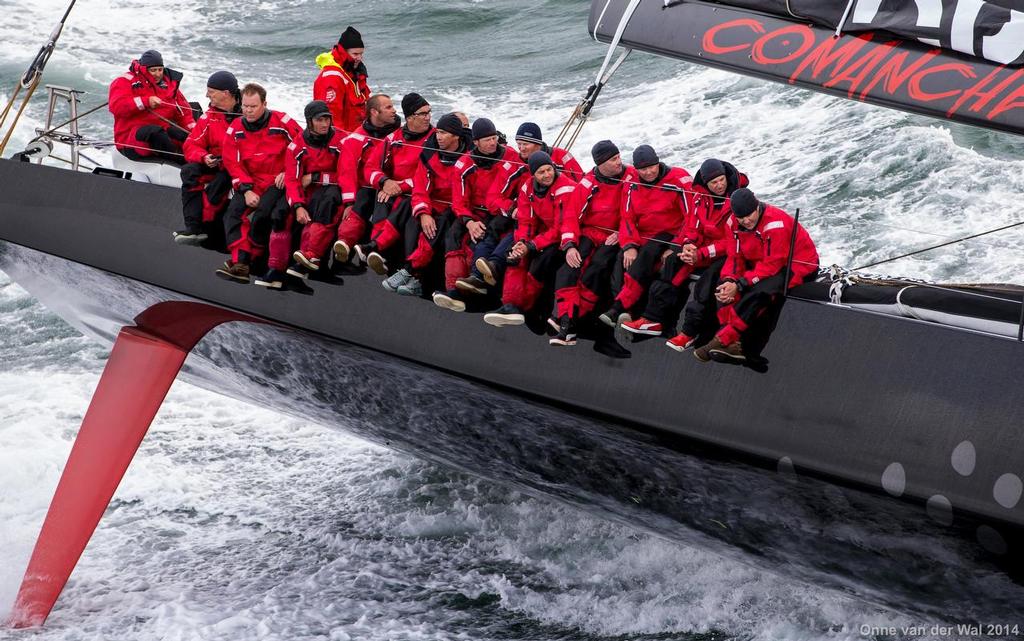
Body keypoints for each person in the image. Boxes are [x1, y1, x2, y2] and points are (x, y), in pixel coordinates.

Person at [620, 159, 748, 345]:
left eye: (721, 180)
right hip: (704, 249)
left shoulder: (738, 200)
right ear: (706, 184)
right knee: (673, 261)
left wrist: (702, 253)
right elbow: (692, 226)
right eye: (714, 183)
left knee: (707, 282)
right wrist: (688, 244)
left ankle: (690, 333)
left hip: (730, 252)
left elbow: (732, 241)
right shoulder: (700, 197)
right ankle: (652, 319)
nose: (719, 185)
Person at [693, 188, 819, 363]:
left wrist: (741, 283)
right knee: (723, 289)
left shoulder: (775, 223)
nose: (746, 221)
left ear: (757, 207)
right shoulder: (733, 224)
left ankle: (722, 339)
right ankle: (731, 343)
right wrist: (730, 280)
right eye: (741, 218)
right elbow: (734, 257)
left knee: (759, 292)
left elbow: (772, 264)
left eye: (749, 215)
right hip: (761, 262)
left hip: (795, 264)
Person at [215, 83, 302, 283]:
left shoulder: (282, 120)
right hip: (250, 181)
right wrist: (245, 190)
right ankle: (241, 262)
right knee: (232, 215)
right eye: (245, 106)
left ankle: (250, 259)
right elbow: (232, 162)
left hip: (276, 181)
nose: (248, 111)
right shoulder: (235, 128)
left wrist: (287, 171)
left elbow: (300, 147)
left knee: (263, 214)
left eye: (253, 106)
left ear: (264, 104)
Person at [597, 145, 693, 327]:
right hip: (643, 234)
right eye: (643, 169)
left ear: (658, 162)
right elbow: (627, 218)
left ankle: (619, 307)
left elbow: (692, 219)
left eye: (651, 166)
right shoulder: (632, 182)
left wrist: (674, 247)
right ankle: (626, 312)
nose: (648, 172)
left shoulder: (678, 179)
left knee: (648, 254)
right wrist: (629, 245)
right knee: (621, 259)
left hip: (671, 234)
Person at [253, 100, 345, 288]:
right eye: (320, 120)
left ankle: (304, 263)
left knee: (318, 213)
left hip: (330, 190)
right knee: (279, 216)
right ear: (309, 122)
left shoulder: (341, 141)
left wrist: (317, 176)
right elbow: (293, 180)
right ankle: (275, 271)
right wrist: (297, 206)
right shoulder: (296, 146)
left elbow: (346, 175)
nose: (325, 124)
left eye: (327, 119)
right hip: (303, 191)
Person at [433, 117, 520, 312]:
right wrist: (469, 221)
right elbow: (459, 202)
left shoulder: (511, 157)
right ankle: (453, 290)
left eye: (494, 138)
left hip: (502, 210)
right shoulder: (464, 164)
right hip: (474, 212)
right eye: (487, 139)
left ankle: (477, 281)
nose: (492, 143)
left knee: (486, 236)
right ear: (476, 142)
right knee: (453, 235)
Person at [483, 151, 578, 327]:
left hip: (565, 235)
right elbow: (526, 220)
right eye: (541, 172)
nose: (547, 175)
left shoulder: (566, 188)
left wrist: (532, 245)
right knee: (514, 256)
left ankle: (524, 306)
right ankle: (509, 305)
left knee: (539, 264)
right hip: (543, 232)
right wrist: (521, 243)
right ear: (533, 174)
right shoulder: (528, 187)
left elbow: (561, 227)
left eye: (549, 169)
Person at [381, 113, 471, 297]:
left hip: (461, 207)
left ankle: (410, 271)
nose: (438, 136)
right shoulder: (429, 153)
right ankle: (380, 249)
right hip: (436, 204)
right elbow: (420, 188)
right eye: (438, 132)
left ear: (456, 136)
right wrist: (423, 213)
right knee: (414, 219)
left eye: (444, 133)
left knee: (443, 223)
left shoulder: (470, 157)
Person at [549, 140, 627, 346]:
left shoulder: (632, 178)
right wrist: (569, 245)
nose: (619, 162)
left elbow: (637, 212)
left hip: (616, 235)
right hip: (590, 232)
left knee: (597, 268)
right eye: (613, 159)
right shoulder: (587, 184)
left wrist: (622, 232)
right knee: (568, 269)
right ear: (600, 164)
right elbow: (571, 217)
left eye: (619, 156)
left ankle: (570, 324)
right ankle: (566, 321)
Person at [355, 92, 434, 276]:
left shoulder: (435, 140)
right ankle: (376, 252)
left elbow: (433, 176)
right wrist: (385, 181)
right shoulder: (393, 138)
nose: (428, 117)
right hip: (395, 190)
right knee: (381, 199)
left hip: (420, 193)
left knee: (399, 204)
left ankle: (377, 250)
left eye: (429, 112)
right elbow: (370, 169)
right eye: (422, 114)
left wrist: (400, 186)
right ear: (409, 117)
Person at [332, 94, 401, 266]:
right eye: (388, 107)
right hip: (369, 186)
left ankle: (373, 248)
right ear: (374, 112)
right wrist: (348, 202)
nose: (394, 111)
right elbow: (346, 172)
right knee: (362, 202)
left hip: (396, 185)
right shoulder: (355, 139)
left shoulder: (401, 134)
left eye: (392, 106)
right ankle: (346, 243)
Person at [175, 71, 240, 245]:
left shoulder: (249, 114)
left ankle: (208, 227)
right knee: (189, 171)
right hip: (216, 163)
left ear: (225, 93)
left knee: (220, 183)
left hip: (240, 166)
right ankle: (193, 227)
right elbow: (190, 145)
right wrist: (204, 157)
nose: (206, 95)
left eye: (211, 91)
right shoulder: (209, 117)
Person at [108, 49, 195, 164]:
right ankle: (182, 163)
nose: (158, 74)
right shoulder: (124, 81)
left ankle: (203, 160)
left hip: (162, 130)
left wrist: (194, 131)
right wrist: (145, 102)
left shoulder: (169, 84)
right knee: (154, 133)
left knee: (186, 134)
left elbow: (184, 112)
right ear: (144, 69)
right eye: (153, 70)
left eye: (160, 69)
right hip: (130, 139)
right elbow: (116, 107)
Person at [313, 26, 369, 135]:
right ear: (344, 52)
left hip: (357, 135)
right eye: (355, 54)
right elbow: (330, 117)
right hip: (342, 139)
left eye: (361, 54)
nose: (359, 58)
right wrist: (340, 143)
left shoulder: (354, 72)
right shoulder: (332, 77)